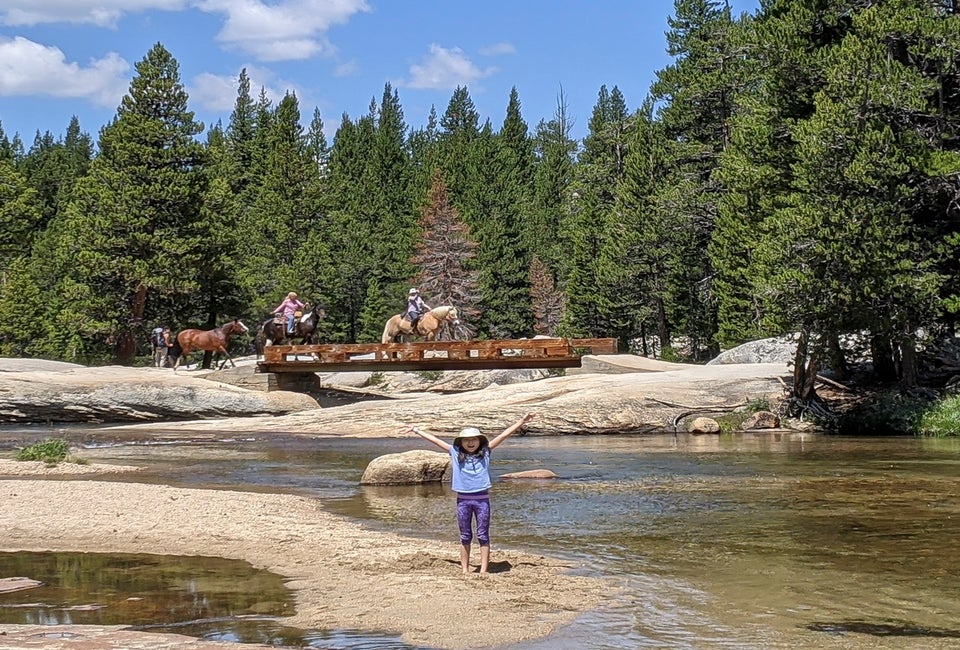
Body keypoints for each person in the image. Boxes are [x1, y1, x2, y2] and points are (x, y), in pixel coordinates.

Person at [405, 413, 536, 574]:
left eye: (474, 439)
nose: (470, 443)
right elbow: (436, 441)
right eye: (466, 440)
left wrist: (522, 421)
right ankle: (465, 570)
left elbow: (503, 435)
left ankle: (483, 571)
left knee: (483, 535)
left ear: (480, 441)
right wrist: (416, 430)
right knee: (465, 535)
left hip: (482, 500)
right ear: (461, 442)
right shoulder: (454, 452)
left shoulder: (486, 452)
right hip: (463, 500)